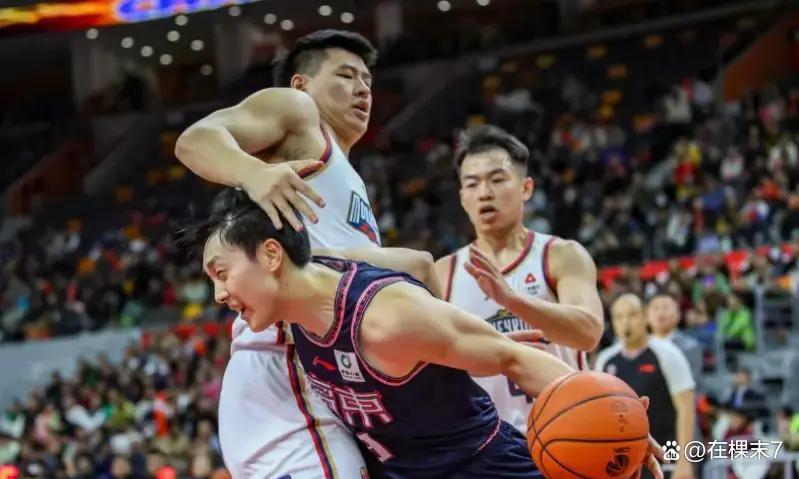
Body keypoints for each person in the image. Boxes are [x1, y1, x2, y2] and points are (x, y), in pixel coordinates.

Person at [185, 187, 663, 479]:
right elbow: (416, 261)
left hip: (482, 467)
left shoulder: (386, 317)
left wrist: (611, 419)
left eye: (222, 274)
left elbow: (513, 358)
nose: (219, 295)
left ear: (271, 255)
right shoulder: (294, 307)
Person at [174, 30, 421, 478]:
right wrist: (251, 172)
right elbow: (195, 139)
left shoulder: (348, 175)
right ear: (301, 85)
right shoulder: (299, 113)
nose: (363, 88)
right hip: (291, 367)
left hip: (319, 376)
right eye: (346, 75)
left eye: (367, 80)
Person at [434, 124, 604, 432]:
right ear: (462, 198)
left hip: (567, 432)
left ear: (526, 188)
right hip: (486, 443)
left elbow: (589, 332)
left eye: (497, 179)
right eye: (472, 184)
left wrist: (511, 300)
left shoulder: (561, 255)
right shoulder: (443, 273)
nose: (485, 193)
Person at [595, 293, 696, 479]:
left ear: (644, 316)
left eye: (632, 315)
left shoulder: (667, 353)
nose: (626, 322)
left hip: (667, 455)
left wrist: (684, 462)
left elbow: (686, 408)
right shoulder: (605, 360)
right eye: (619, 317)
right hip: (624, 461)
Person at [647, 293, 704, 385]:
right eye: (655, 308)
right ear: (647, 317)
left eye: (666, 307)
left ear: (678, 315)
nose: (660, 313)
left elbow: (691, 383)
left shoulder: (690, 347)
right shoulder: (638, 346)